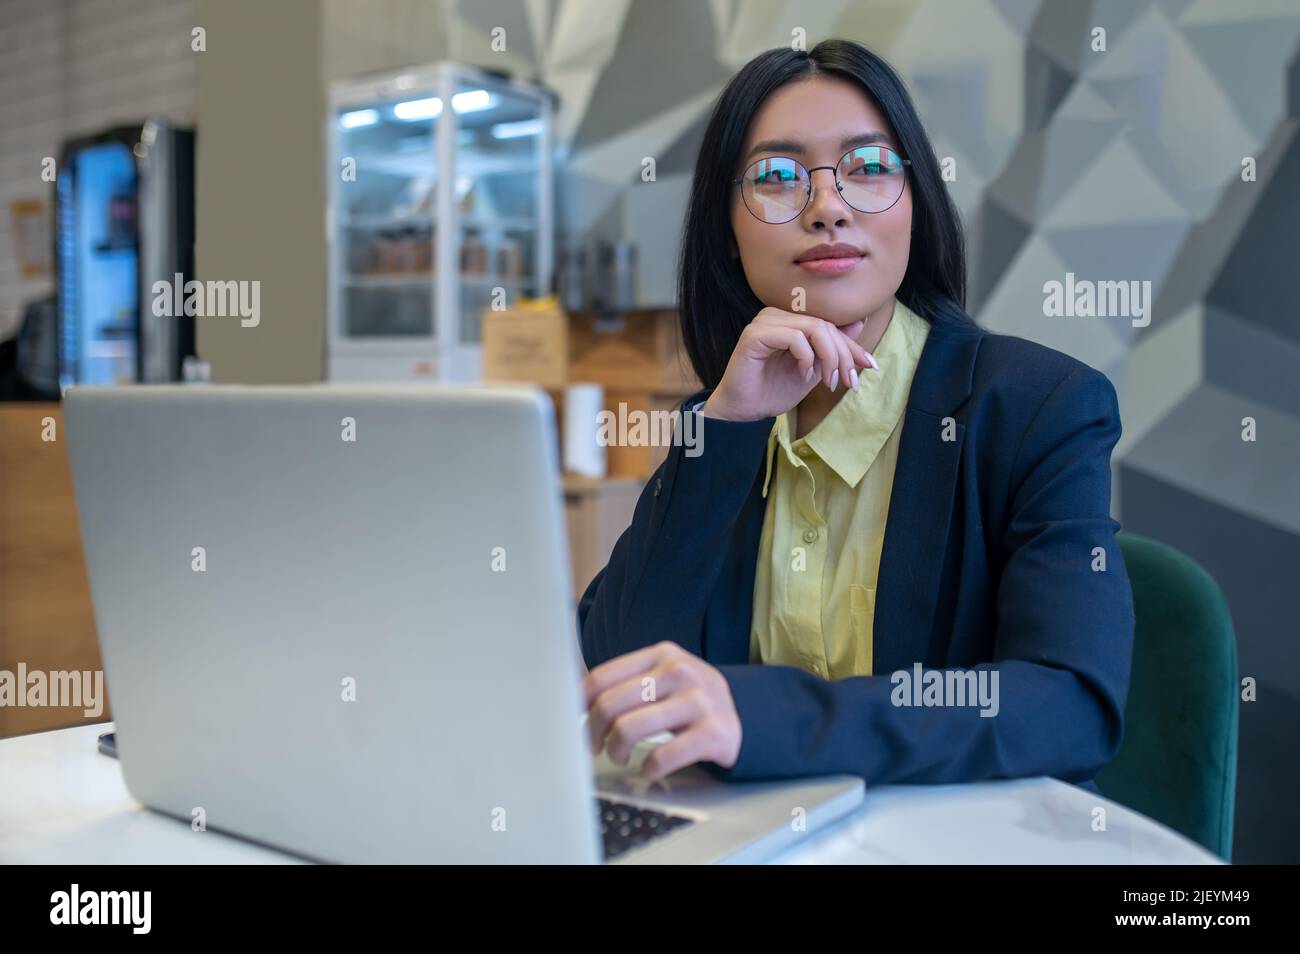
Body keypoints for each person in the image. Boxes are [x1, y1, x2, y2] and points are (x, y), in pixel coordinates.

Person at [578, 38, 1134, 794]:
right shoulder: (724, 418)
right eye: (776, 177)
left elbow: (1068, 704)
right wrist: (725, 429)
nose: (827, 207)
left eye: (869, 167)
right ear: (728, 233)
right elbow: (621, 657)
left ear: (916, 204)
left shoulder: (1039, 409)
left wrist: (767, 717)